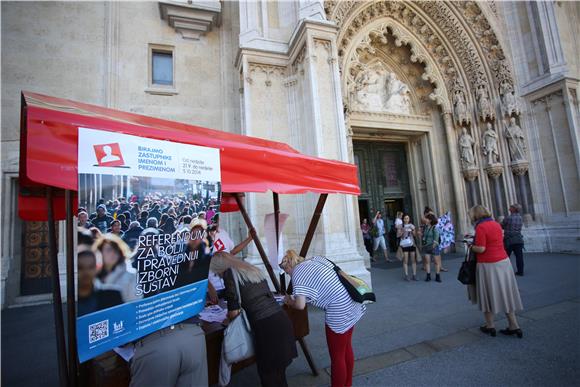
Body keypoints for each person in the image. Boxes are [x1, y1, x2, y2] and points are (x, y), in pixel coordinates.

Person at [211, 252, 297, 387]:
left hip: (266, 328)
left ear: (220, 267)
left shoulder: (229, 274)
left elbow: (233, 313)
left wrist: (227, 319)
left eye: (216, 273)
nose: (218, 276)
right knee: (279, 376)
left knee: (269, 377)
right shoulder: (250, 269)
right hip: (280, 321)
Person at [282, 250, 366, 387]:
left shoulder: (296, 273)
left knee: (337, 356)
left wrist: (289, 301)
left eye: (287, 273)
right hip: (351, 300)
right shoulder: (314, 260)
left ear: (289, 267)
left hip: (339, 309)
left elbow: (300, 305)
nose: (288, 275)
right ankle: (347, 384)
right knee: (346, 347)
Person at [468, 205, 524, 338]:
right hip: (503, 263)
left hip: (488, 265)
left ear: (475, 215)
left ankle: (490, 325)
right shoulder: (496, 224)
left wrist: (470, 245)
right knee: (506, 295)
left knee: (487, 295)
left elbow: (481, 249)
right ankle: (514, 325)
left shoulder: (480, 227)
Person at [77, 250, 123, 316]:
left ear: (97, 268)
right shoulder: (67, 300)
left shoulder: (113, 296)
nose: (86, 272)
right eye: (80, 268)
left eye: (91, 267)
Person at [95, 234, 139, 302]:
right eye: (108, 250)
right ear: (100, 251)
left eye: (116, 250)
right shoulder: (93, 272)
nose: (113, 253)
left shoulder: (130, 274)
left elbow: (135, 303)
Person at [502, 203, 525, 276]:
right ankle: (520, 271)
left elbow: (501, 225)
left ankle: (505, 271)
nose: (509, 208)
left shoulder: (509, 218)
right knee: (519, 256)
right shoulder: (520, 218)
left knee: (505, 256)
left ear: (514, 209)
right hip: (518, 239)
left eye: (511, 207)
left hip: (509, 240)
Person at [422, 213, 441, 282]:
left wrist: (433, 247)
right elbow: (424, 236)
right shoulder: (425, 227)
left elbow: (436, 239)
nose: (425, 219)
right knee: (427, 262)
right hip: (427, 246)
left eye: (426, 218)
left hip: (434, 247)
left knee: (436, 262)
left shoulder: (435, 228)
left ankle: (437, 276)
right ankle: (428, 276)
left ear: (430, 220)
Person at [400, 214, 417, 281]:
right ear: (403, 219)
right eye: (405, 218)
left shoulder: (412, 226)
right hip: (404, 244)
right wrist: (403, 231)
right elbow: (398, 235)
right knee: (405, 260)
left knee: (413, 260)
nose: (406, 219)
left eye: (408, 218)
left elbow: (415, 235)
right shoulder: (401, 226)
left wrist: (412, 231)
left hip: (411, 244)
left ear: (409, 219)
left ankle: (414, 275)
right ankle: (406, 275)